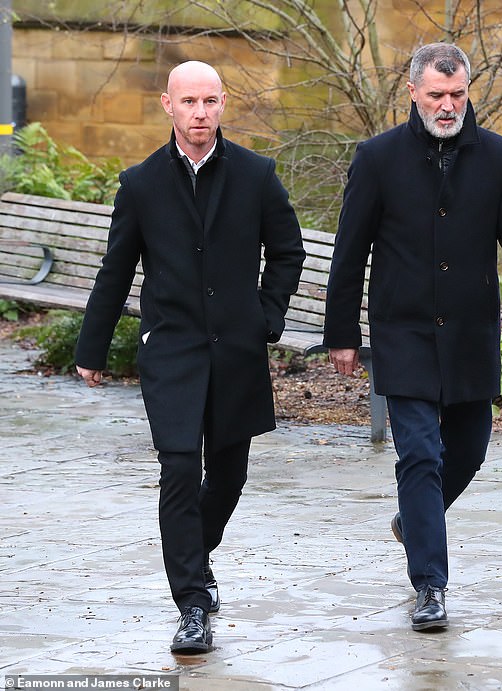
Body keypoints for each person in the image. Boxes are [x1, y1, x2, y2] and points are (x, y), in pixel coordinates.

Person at [75, 61, 305, 653]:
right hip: (171, 352)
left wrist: (266, 317)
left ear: (224, 103)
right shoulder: (142, 184)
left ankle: (192, 557)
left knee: (229, 473)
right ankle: (192, 602)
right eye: (189, 102)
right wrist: (91, 348)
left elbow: (287, 251)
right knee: (179, 470)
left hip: (237, 352)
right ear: (167, 105)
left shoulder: (256, 175)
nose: (200, 113)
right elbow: (116, 269)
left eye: (209, 102)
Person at [323, 43, 502, 631]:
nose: (447, 106)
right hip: (403, 331)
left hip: (472, 333)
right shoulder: (377, 158)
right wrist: (342, 333)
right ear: (413, 93)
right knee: (419, 454)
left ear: (467, 90)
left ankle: (411, 521)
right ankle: (431, 585)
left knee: (468, 452)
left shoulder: (499, 158)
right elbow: (349, 252)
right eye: (436, 96)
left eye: (456, 95)